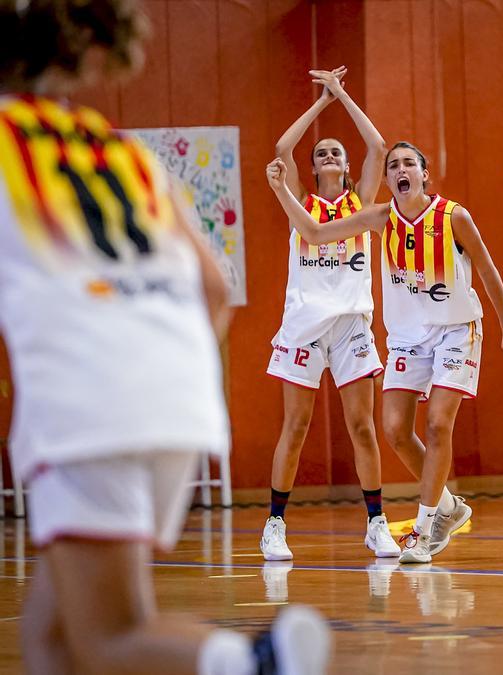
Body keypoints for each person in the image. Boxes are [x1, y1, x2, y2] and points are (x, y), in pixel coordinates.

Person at [1, 1, 329, 672]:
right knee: (53, 635)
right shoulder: (119, 151)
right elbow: (214, 287)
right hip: (179, 394)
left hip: (90, 398)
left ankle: (256, 660)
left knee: (111, 633)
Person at [266, 142, 503, 563]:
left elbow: (488, 270)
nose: (401, 170)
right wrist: (280, 190)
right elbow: (312, 233)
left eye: (409, 164)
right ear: (387, 180)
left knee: (439, 424)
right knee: (395, 431)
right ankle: (449, 507)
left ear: (424, 175)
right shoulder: (381, 218)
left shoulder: (454, 216)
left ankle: (423, 531)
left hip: (457, 329)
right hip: (407, 336)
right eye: (393, 166)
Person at [260, 65, 400, 562]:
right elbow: (282, 149)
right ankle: (275, 524)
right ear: (317, 168)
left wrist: (342, 95)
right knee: (295, 427)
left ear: (343, 165)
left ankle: (376, 522)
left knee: (362, 425)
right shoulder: (301, 202)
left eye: (335, 151)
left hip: (350, 324)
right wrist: (320, 104)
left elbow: (379, 148)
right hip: (303, 323)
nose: (328, 156)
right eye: (322, 153)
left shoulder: (361, 200)